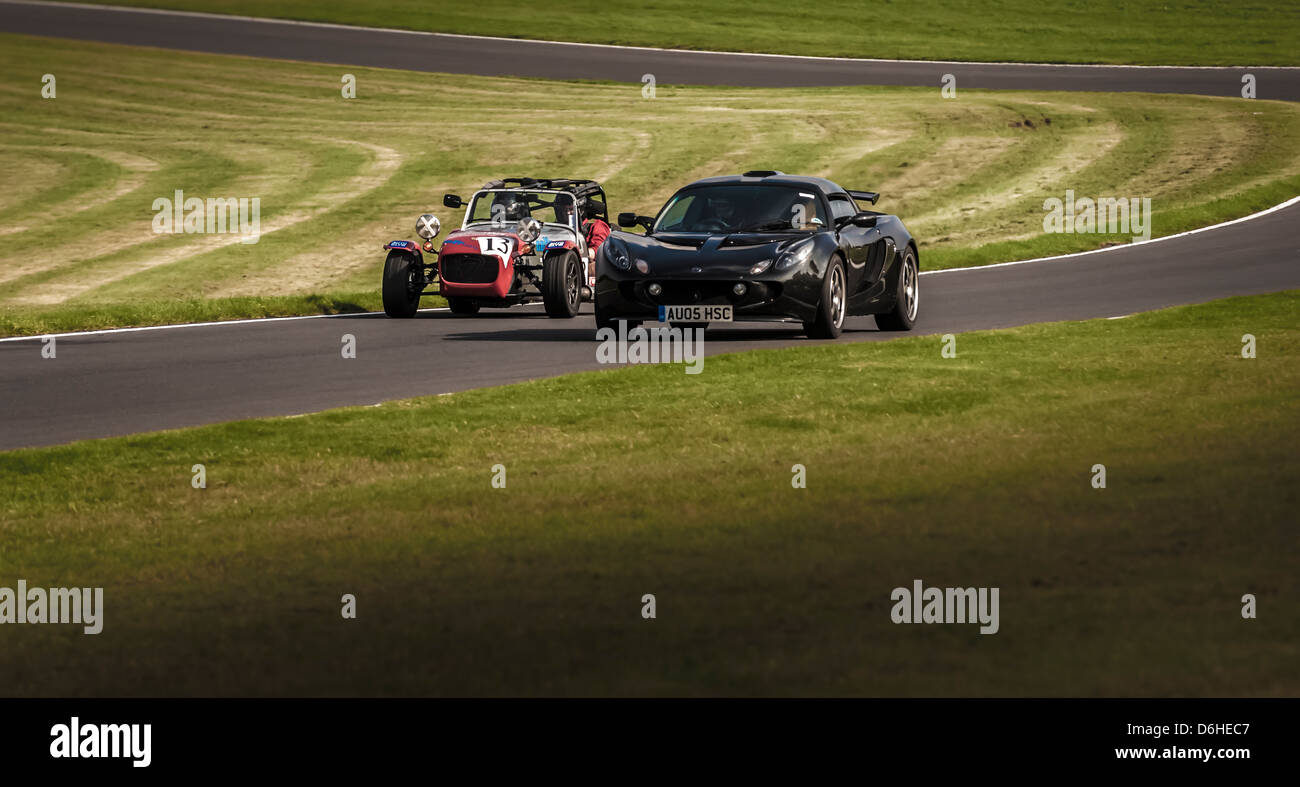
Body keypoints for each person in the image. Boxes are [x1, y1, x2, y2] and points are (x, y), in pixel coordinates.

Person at [580, 200, 611, 287]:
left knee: (594, 266)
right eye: (561, 208)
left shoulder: (598, 226)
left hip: (583, 265)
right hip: (554, 266)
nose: (564, 212)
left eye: (570, 208)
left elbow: (599, 250)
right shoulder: (556, 229)